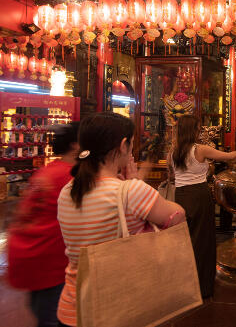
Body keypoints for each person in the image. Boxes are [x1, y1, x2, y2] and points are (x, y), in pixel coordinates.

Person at [56, 113, 186, 327]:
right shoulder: (131, 192)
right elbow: (178, 216)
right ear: (123, 145)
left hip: (72, 309)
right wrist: (135, 183)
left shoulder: (67, 192)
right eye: (132, 144)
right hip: (119, 308)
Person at [7, 123, 79, 327]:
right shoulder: (70, 177)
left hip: (31, 255)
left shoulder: (50, 170)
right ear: (75, 145)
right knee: (53, 318)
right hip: (51, 259)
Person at [172, 115, 236, 298]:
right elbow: (228, 157)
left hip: (180, 196)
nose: (201, 131)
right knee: (202, 241)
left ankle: (184, 284)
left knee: (186, 240)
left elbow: (171, 177)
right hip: (198, 195)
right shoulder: (201, 149)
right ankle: (202, 286)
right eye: (198, 128)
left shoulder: (173, 151)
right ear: (193, 130)